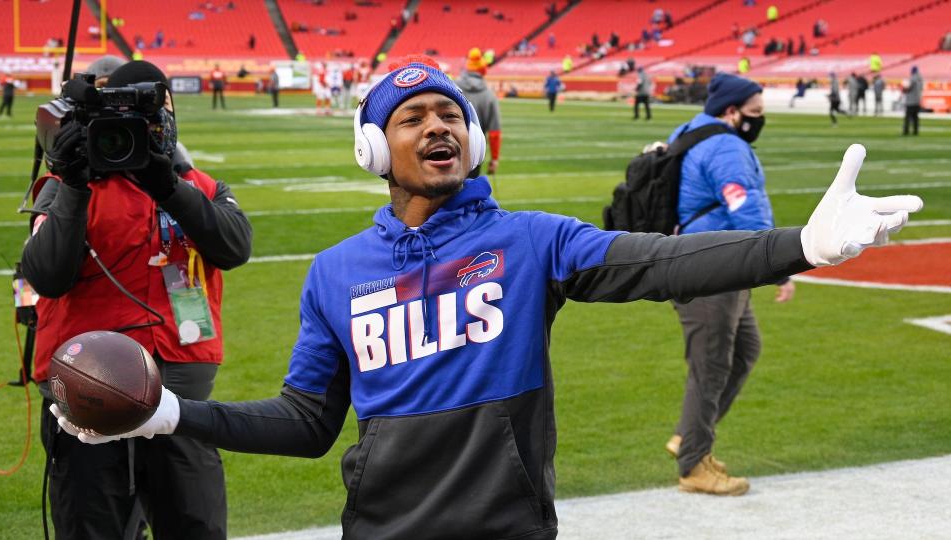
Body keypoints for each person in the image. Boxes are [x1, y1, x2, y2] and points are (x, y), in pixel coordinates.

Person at [51, 56, 923, 538]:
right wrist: (168, 416)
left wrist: (799, 247)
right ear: (373, 149)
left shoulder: (534, 241)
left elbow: (661, 263)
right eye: (412, 116)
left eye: (449, 114)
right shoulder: (336, 273)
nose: (438, 125)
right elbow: (307, 426)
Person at [25, 60, 252, 539]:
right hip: (87, 392)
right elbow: (47, 275)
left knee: (196, 524)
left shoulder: (198, 186)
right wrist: (72, 183)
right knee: (93, 527)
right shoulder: (66, 188)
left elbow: (234, 247)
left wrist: (166, 184)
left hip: (181, 393)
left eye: (154, 114)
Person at [662, 73, 794, 496]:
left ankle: (690, 435)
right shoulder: (727, 146)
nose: (760, 120)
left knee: (745, 349)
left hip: (704, 260)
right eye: (755, 112)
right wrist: (776, 263)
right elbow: (745, 204)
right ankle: (694, 466)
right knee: (712, 363)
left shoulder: (691, 130)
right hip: (711, 266)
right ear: (732, 111)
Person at [456, 48, 501, 175]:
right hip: (475, 154)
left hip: (449, 151)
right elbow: (494, 133)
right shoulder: (489, 96)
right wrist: (494, 159)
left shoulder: (452, 87)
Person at [903, 66, 923, 136]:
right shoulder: (920, 79)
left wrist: (903, 89)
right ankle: (915, 131)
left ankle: (906, 131)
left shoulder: (912, 78)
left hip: (910, 101)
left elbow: (908, 88)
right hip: (917, 100)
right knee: (915, 118)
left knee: (908, 118)